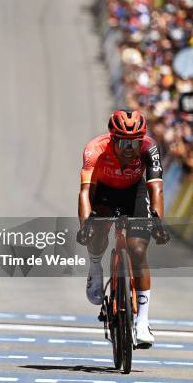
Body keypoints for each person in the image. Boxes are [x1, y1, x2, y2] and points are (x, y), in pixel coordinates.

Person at [77, 109, 169, 349]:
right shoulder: (94, 149)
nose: (130, 148)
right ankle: (95, 266)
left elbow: (156, 189)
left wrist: (158, 220)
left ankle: (142, 322)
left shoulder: (150, 148)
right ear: (113, 139)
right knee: (96, 232)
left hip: (134, 193)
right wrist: (85, 223)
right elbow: (86, 192)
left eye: (135, 142)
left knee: (137, 250)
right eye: (124, 142)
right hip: (104, 192)